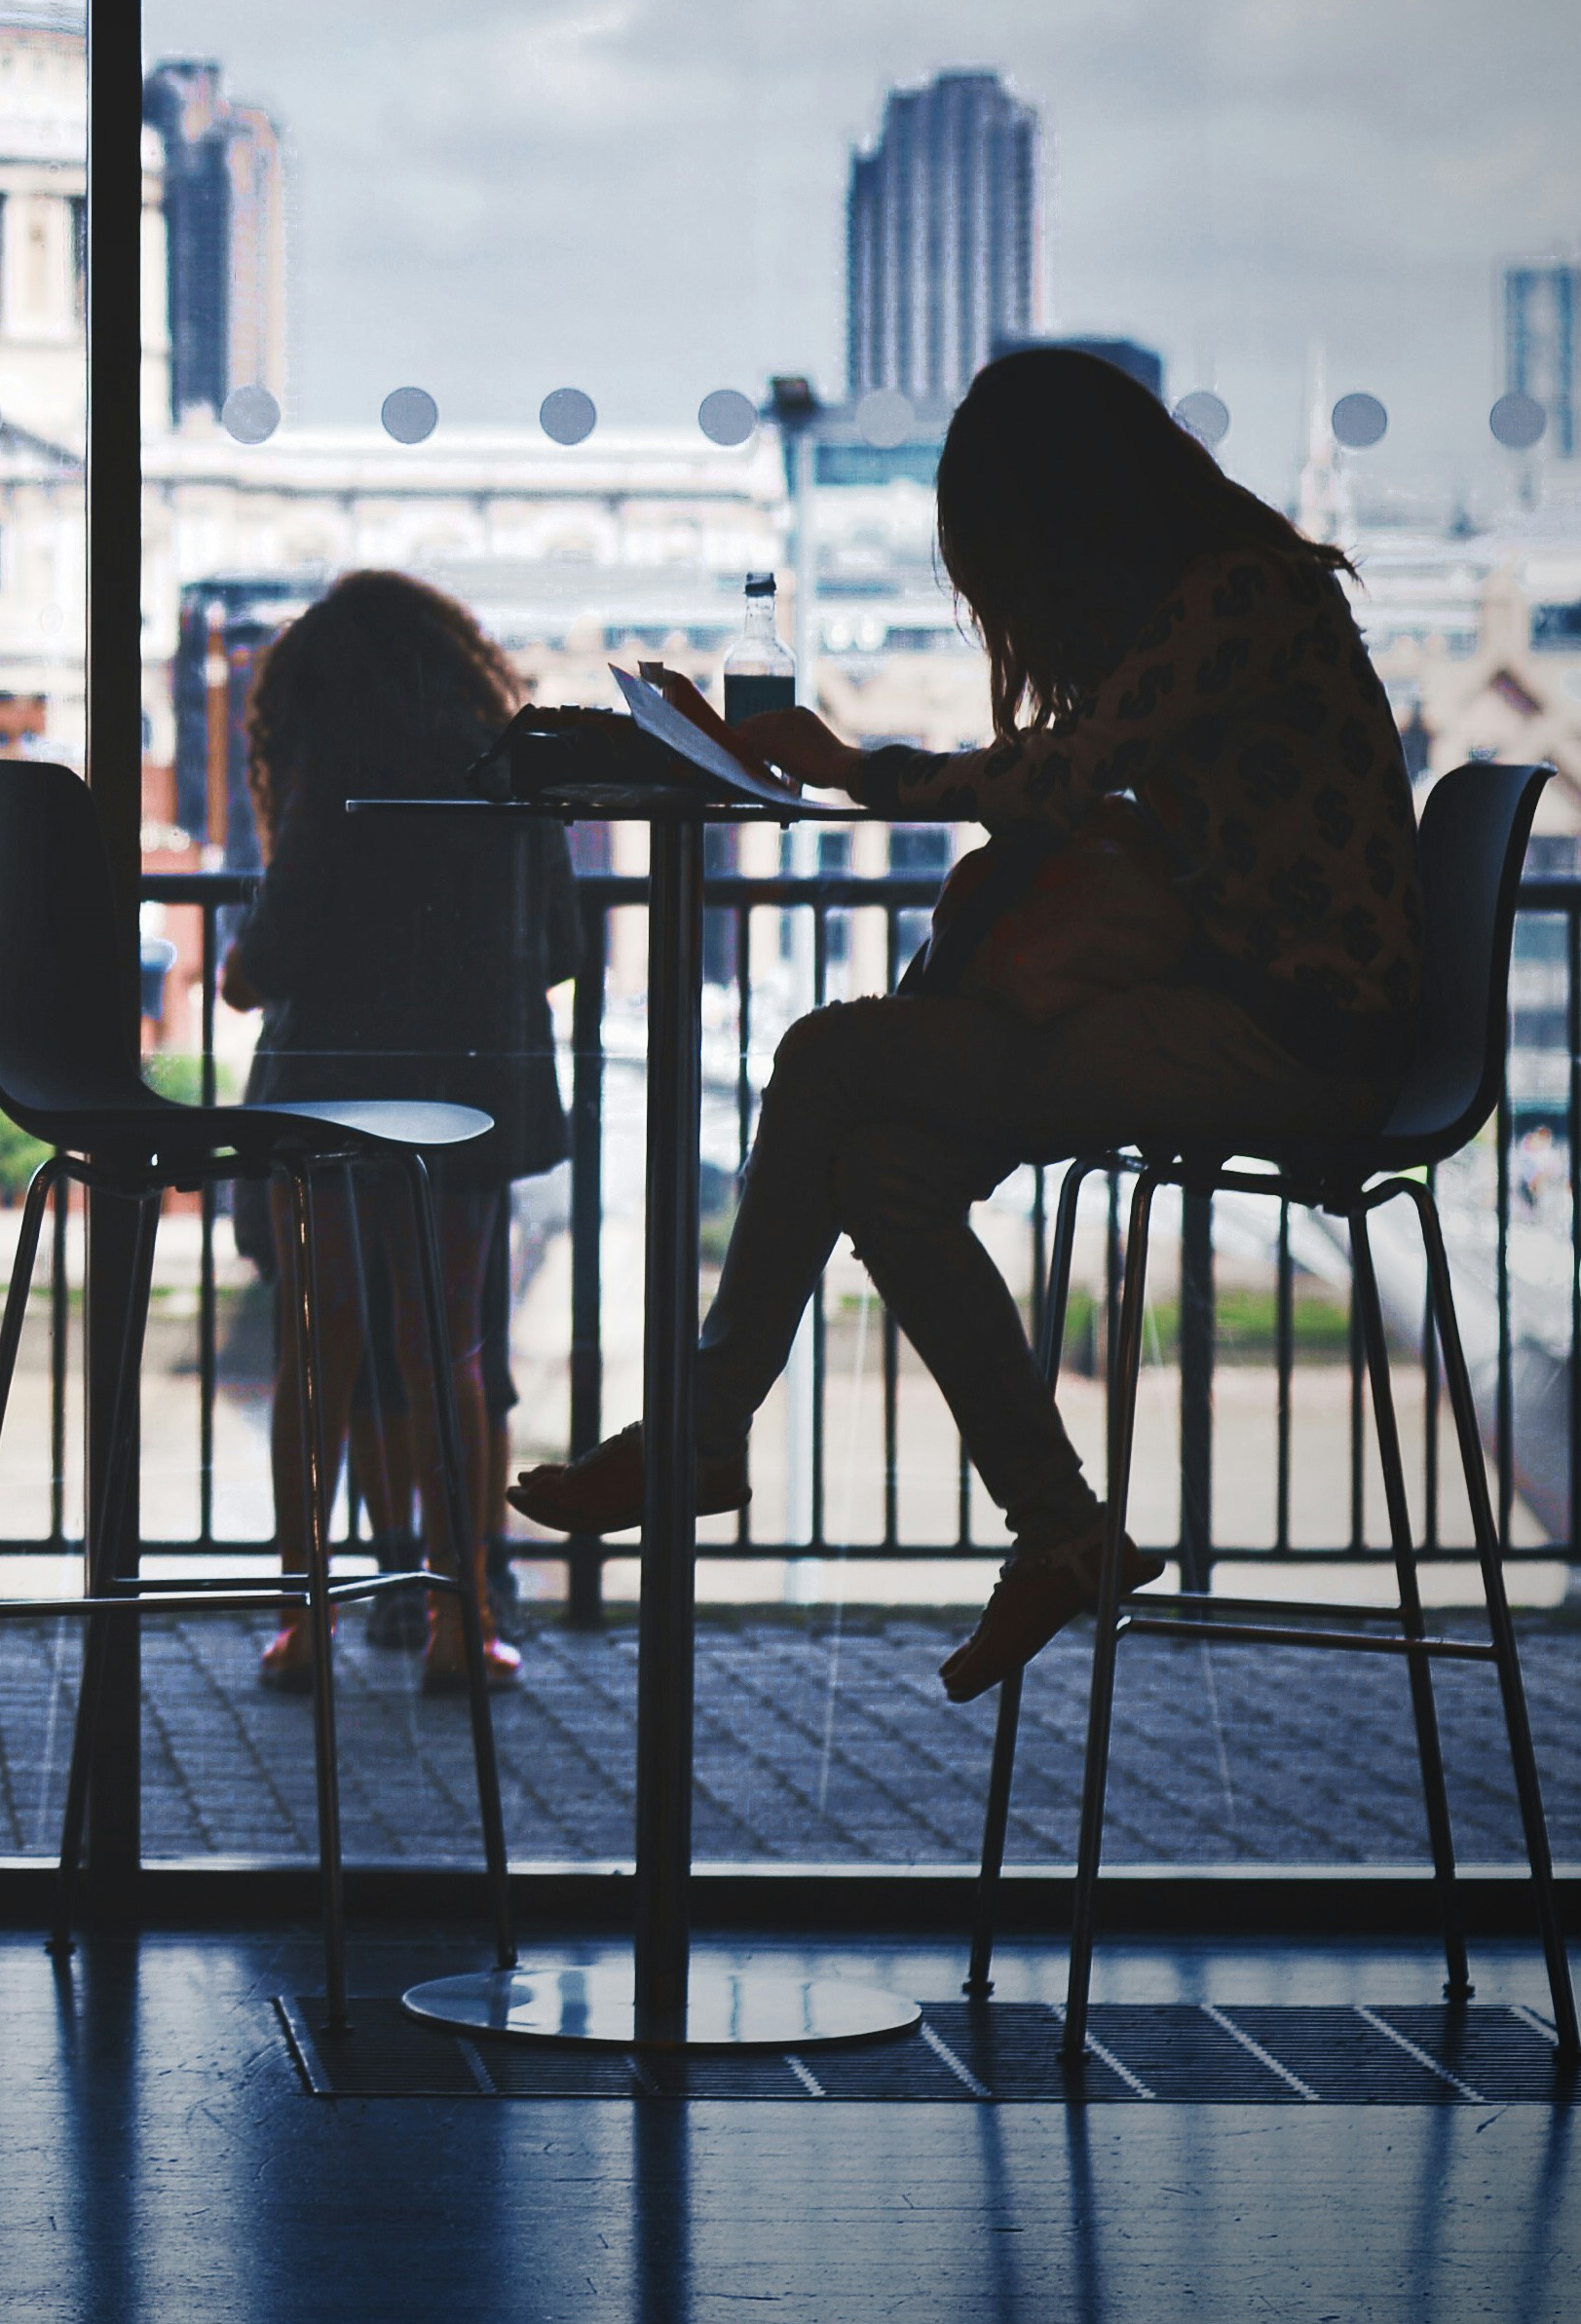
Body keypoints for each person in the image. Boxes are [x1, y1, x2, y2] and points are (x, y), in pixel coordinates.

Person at [513, 346, 1426, 1702]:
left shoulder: (1239, 596)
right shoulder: (1242, 593)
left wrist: (843, 769)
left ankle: (703, 1435)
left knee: (824, 1060)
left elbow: (1055, 780)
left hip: (1285, 1044)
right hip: (1242, 1023)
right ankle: (1058, 1533)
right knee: (881, 1167)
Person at [223, 571, 579, 1694]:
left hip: (329, 1090)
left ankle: (302, 1620)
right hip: (468, 1094)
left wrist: (244, 966)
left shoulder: (335, 761)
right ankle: (460, 1618)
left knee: (316, 1356)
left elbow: (262, 959)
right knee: (455, 1352)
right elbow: (563, 944)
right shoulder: (506, 758)